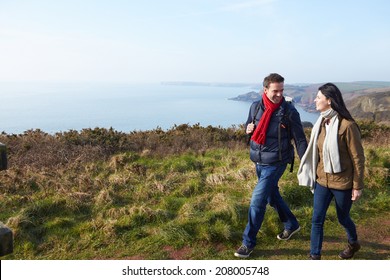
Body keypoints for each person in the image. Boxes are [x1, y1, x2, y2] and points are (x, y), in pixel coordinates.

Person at [234, 73, 308, 258]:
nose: (279, 94)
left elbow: (300, 140)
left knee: (257, 201)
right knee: (271, 197)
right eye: (276, 90)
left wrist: (306, 163)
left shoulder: (289, 111)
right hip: (258, 160)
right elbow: (248, 126)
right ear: (265, 90)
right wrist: (247, 130)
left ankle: (247, 243)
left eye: (282, 90)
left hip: (277, 162)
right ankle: (292, 224)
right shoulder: (255, 106)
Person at [297, 83, 365, 260]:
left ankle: (353, 243)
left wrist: (357, 186)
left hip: (342, 183)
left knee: (343, 219)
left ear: (329, 100)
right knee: (316, 219)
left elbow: (358, 159)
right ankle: (314, 257)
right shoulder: (320, 122)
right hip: (322, 181)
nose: (315, 100)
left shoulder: (347, 126)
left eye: (318, 97)